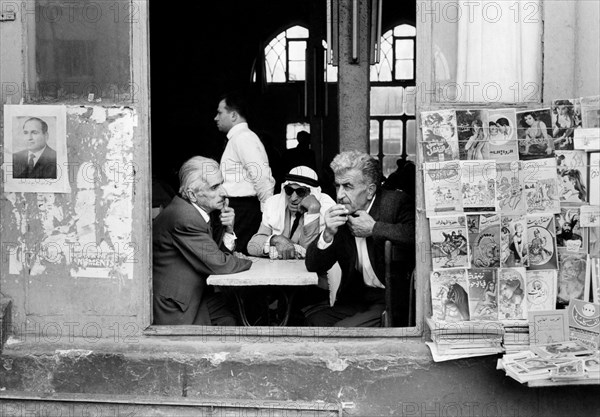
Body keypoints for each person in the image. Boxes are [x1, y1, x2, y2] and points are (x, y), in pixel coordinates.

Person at [304, 151, 415, 327]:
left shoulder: (395, 203)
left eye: (347, 186)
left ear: (370, 190)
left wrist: (374, 228)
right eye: (337, 186)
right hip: (357, 299)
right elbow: (313, 265)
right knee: (313, 321)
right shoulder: (341, 213)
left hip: (390, 301)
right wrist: (328, 234)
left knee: (342, 332)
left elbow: (414, 235)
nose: (339, 195)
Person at [152, 156, 252, 325]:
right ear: (192, 194)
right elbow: (220, 264)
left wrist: (228, 229)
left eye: (221, 184)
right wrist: (245, 260)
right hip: (176, 305)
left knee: (231, 314)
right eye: (214, 187)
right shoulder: (185, 217)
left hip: (195, 294)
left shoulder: (195, 210)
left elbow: (214, 255)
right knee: (231, 320)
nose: (223, 192)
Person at [215, 92, 275, 254]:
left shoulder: (244, 138)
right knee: (233, 255)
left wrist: (267, 217)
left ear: (233, 115)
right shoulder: (237, 139)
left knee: (240, 257)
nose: (216, 118)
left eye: (220, 113)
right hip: (237, 208)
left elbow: (262, 177)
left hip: (244, 210)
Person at [247, 166, 335, 259]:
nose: (293, 198)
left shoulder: (327, 209)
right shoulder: (273, 203)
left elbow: (310, 255)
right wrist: (275, 239)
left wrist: (313, 211)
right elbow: (252, 246)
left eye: (300, 192)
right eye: (289, 191)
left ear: (312, 193)